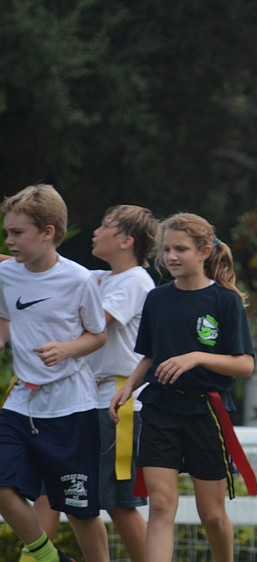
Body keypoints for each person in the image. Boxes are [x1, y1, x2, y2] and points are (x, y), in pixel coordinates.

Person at [109, 213, 255, 562]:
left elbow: (244, 364)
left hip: (207, 412)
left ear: (205, 251)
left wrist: (196, 357)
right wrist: (128, 386)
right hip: (160, 409)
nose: (172, 256)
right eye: (167, 249)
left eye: (181, 249)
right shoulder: (157, 299)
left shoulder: (225, 301)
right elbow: (150, 357)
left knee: (212, 514)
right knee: (160, 505)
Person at [0, 184, 110, 562]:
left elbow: (98, 335)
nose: (10, 241)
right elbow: (4, 319)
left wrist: (66, 349)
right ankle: (48, 558)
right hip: (21, 403)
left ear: (48, 232)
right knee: (2, 486)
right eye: (7, 233)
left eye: (18, 233)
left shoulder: (80, 280)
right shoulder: (7, 275)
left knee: (80, 509)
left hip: (71, 407)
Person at [89, 204, 158, 561]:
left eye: (105, 226)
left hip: (121, 401)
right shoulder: (103, 278)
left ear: (126, 240)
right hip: (94, 398)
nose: (95, 232)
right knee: (80, 501)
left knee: (120, 503)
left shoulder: (135, 281)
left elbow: (94, 322)